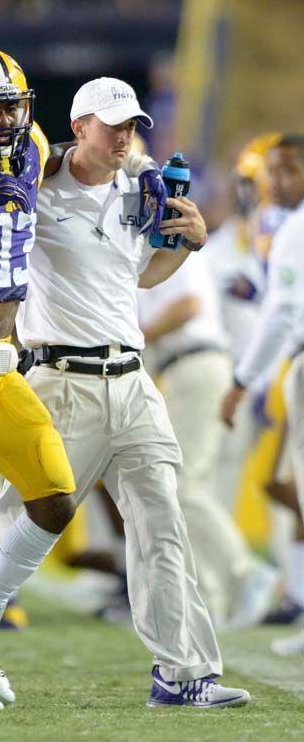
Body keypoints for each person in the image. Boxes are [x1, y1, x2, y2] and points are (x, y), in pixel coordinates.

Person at [0, 77, 250, 708]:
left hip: (133, 381)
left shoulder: (138, 188)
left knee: (163, 526)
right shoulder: (35, 183)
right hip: (61, 381)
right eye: (112, 125)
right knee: (18, 520)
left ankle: (183, 671)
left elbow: (140, 276)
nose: (124, 137)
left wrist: (189, 245)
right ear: (78, 125)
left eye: (132, 125)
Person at [0, 51, 162, 711]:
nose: (2, 120)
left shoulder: (34, 145)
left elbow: (86, 153)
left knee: (54, 495)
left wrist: (143, 166)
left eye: (11, 106)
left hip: (1, 353)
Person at [139, 255, 277, 627]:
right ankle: (210, 601)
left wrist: (138, 336)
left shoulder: (173, 250)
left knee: (180, 486)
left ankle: (246, 571)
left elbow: (189, 306)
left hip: (195, 367)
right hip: (185, 369)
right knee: (192, 487)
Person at [219, 135, 304, 657]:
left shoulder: (290, 227)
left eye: (288, 169)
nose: (275, 183)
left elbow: (280, 314)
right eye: (270, 172)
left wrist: (241, 380)